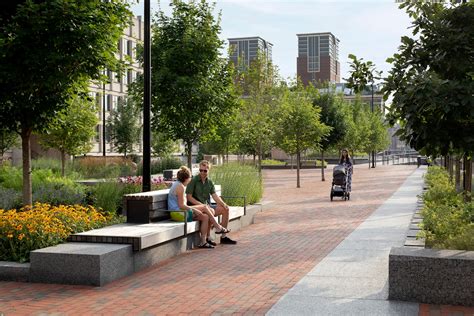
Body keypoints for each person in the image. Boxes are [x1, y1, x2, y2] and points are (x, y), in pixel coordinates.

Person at [168, 166, 229, 249]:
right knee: (204, 207)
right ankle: (218, 227)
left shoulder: (179, 184)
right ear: (186, 178)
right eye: (190, 177)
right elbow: (181, 205)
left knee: (205, 217)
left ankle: (203, 242)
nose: (190, 179)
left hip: (179, 212)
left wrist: (195, 209)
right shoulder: (180, 187)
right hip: (178, 214)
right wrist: (194, 210)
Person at [186, 160, 237, 245]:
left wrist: (224, 204)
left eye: (205, 170)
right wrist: (202, 205)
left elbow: (215, 196)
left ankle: (223, 237)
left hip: (206, 207)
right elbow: (189, 197)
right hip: (196, 208)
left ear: (208, 170)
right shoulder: (193, 180)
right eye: (201, 170)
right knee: (210, 211)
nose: (202, 172)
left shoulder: (209, 182)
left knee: (225, 209)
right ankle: (208, 237)